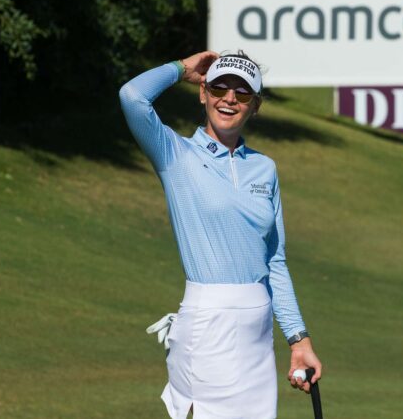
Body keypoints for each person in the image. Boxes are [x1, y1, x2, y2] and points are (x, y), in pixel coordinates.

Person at [119, 50, 322, 419]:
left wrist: (298, 338)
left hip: (257, 336)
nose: (229, 99)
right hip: (208, 325)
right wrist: (182, 69)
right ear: (203, 93)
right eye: (220, 88)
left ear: (255, 106)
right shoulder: (175, 153)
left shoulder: (264, 169)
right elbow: (132, 97)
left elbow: (273, 260)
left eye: (242, 93)